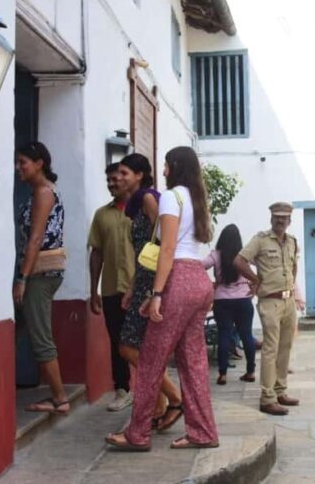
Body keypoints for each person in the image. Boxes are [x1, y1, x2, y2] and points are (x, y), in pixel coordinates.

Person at [106, 146, 218, 451]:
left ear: (176, 166)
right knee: (193, 362)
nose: (163, 171)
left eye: (167, 165)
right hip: (197, 279)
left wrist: (156, 294)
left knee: (151, 362)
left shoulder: (171, 196)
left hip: (177, 278)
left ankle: (137, 434)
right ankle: (203, 432)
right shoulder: (196, 198)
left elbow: (166, 249)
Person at [118, 153, 183, 429]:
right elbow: (142, 252)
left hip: (154, 283)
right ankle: (159, 405)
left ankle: (175, 398)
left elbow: (164, 242)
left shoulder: (147, 199)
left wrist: (155, 289)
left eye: (124, 173)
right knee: (141, 348)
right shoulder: (133, 206)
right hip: (143, 282)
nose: (119, 178)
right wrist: (133, 286)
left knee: (128, 348)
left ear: (139, 175)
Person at [13, 141, 70, 415]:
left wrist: (22, 277)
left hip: (40, 272)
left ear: (39, 164)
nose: (18, 168)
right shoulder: (41, 191)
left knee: (40, 335)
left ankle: (60, 398)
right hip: (44, 270)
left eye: (22, 161)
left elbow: (35, 238)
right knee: (28, 328)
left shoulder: (43, 192)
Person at [234, 202, 303, 416]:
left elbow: (293, 266)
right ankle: (267, 397)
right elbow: (239, 260)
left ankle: (280, 391)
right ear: (271, 218)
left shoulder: (292, 241)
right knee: (270, 349)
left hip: (288, 301)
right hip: (270, 302)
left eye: (284, 218)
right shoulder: (261, 240)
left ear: (290, 220)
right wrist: (256, 279)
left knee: (285, 347)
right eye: (277, 217)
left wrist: (292, 289)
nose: (280, 221)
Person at [88, 163, 136, 411]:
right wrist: (92, 290)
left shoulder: (142, 210)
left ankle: (154, 390)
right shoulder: (101, 215)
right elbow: (96, 253)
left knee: (142, 342)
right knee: (117, 342)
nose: (112, 184)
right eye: (108, 181)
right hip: (110, 290)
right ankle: (122, 390)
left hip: (139, 290)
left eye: (116, 179)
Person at [203, 224, 257, 385]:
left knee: (224, 335)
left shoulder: (215, 255)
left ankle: (223, 374)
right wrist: (255, 282)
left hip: (222, 300)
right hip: (243, 299)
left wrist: (210, 283)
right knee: (246, 335)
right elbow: (261, 263)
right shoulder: (243, 256)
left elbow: (198, 266)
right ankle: (251, 371)